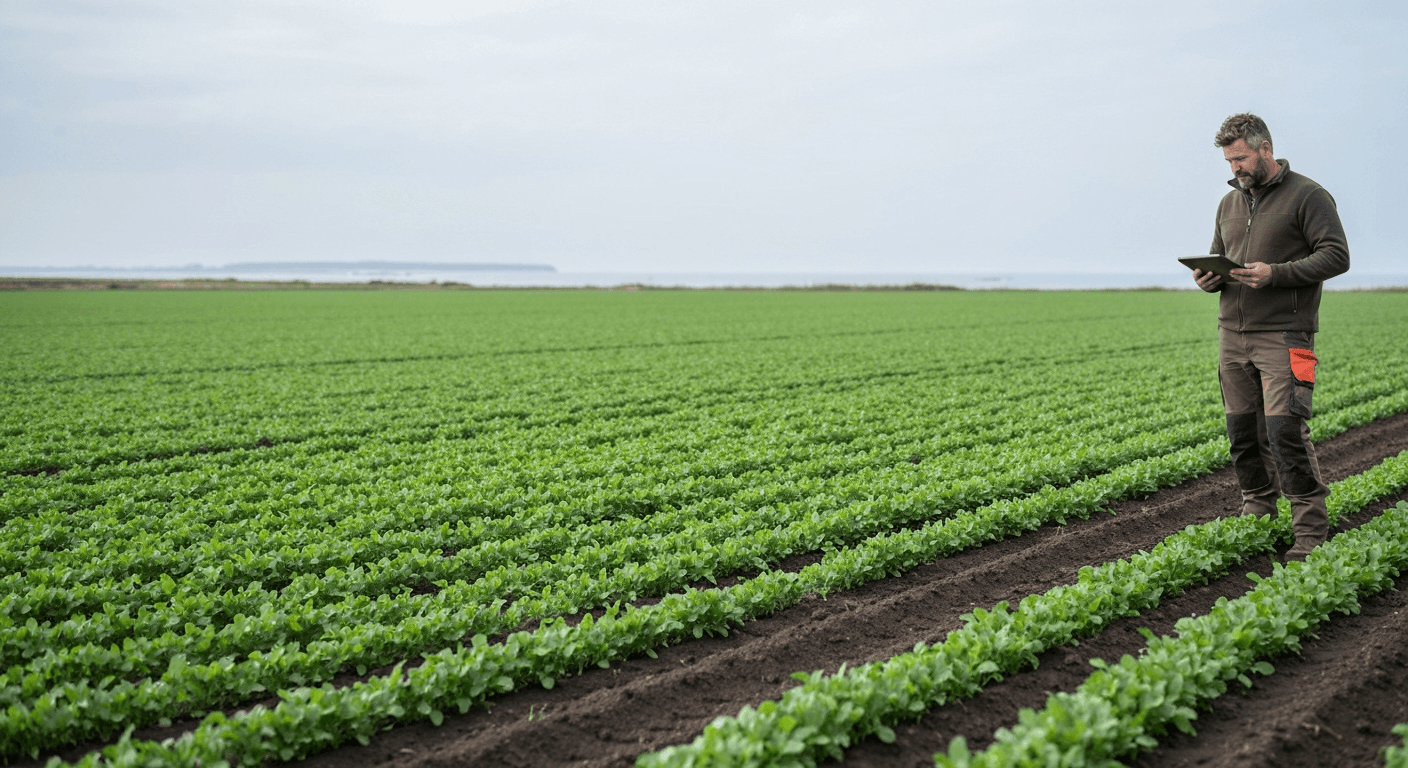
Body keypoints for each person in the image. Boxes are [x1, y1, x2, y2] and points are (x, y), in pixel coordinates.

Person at [1192, 113, 1350, 562]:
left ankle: (1310, 532)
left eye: (1241, 158)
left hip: (1284, 334)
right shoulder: (1229, 203)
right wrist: (1208, 278)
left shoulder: (1308, 195)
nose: (1235, 168)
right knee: (1242, 432)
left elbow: (1336, 256)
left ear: (1265, 149)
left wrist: (1275, 274)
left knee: (1286, 432)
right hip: (1232, 334)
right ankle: (1258, 513)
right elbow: (1220, 256)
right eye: (1229, 160)